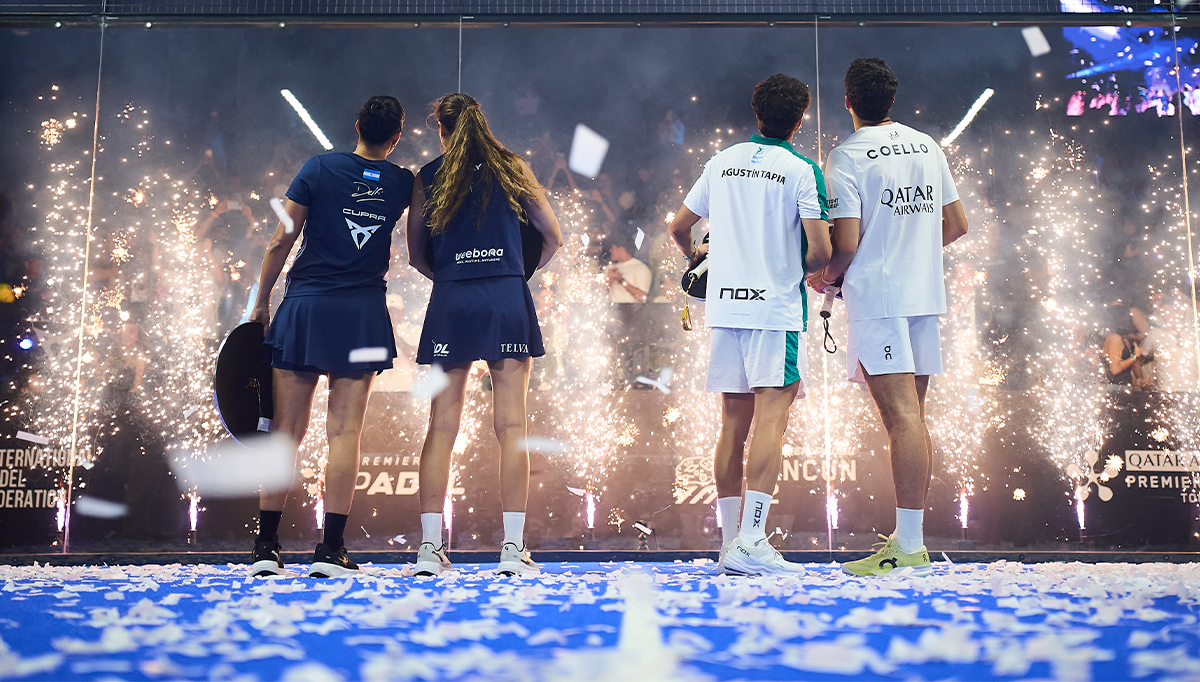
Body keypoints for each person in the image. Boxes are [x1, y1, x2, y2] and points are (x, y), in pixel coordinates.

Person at [807, 58, 968, 578]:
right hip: (923, 293)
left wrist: (825, 278)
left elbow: (846, 243)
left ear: (848, 101)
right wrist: (912, 252)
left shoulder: (847, 155)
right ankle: (909, 541)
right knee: (913, 418)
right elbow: (957, 224)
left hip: (879, 297)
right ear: (892, 99)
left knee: (902, 420)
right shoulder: (927, 146)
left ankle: (910, 548)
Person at [668, 74, 832, 576]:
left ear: (756, 110)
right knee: (771, 422)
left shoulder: (722, 160)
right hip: (774, 311)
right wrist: (802, 271)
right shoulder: (802, 168)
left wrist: (698, 255)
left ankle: (730, 544)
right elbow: (821, 251)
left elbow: (679, 227)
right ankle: (753, 541)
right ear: (800, 119)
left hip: (726, 310)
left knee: (732, 426)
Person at [248, 96, 413, 578]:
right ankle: (331, 550)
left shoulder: (318, 168)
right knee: (344, 434)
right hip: (361, 315)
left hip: (306, 309)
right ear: (396, 137)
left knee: (284, 433)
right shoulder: (403, 182)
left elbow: (281, 239)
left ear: (357, 124)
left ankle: (265, 549)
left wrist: (261, 303)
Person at [407, 93, 563, 577]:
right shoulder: (513, 166)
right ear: (481, 122)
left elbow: (415, 255)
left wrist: (454, 278)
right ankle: (512, 550)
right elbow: (554, 236)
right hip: (505, 297)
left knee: (441, 427)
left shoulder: (427, 175)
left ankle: (429, 550)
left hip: (452, 299)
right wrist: (516, 272)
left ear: (441, 129)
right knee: (512, 427)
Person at [606, 238, 652, 304]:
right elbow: (602, 294)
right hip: (611, 308)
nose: (610, 251)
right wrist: (609, 280)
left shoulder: (641, 268)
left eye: (613, 248)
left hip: (631, 309)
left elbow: (642, 297)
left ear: (621, 250)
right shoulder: (610, 268)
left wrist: (621, 280)